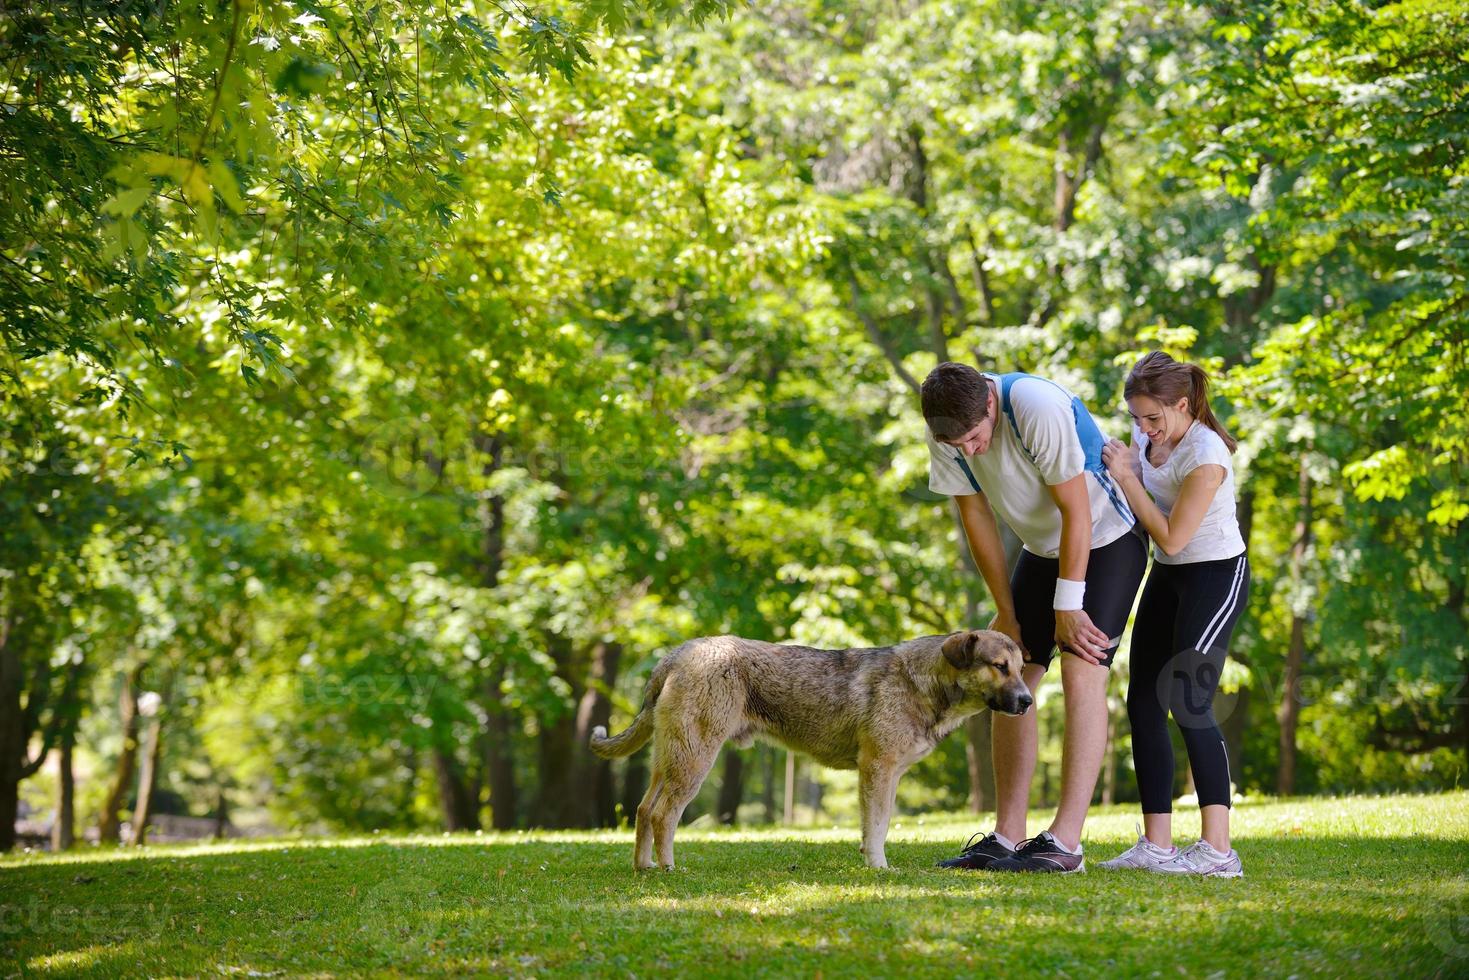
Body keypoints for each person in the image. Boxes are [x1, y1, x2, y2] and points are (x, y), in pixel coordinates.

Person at [923, 361, 1146, 873]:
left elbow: (1077, 512)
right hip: (1042, 548)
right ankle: (1007, 836)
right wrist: (1006, 610)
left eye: (976, 439)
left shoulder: (1036, 406)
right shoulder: (948, 428)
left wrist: (1068, 606)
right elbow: (974, 514)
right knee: (1006, 676)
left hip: (1108, 535)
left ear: (990, 403)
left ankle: (1066, 845)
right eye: (957, 445)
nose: (969, 451)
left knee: (1081, 668)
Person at [1097, 351, 1249, 878]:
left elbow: (1172, 534)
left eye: (1153, 418)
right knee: (1142, 700)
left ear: (1183, 405)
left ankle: (1219, 852)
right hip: (1169, 574)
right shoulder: (1147, 437)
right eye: (1136, 418)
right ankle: (1157, 845)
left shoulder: (1206, 456)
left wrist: (1127, 476)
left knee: (1190, 700)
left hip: (1214, 574)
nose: (1143, 429)